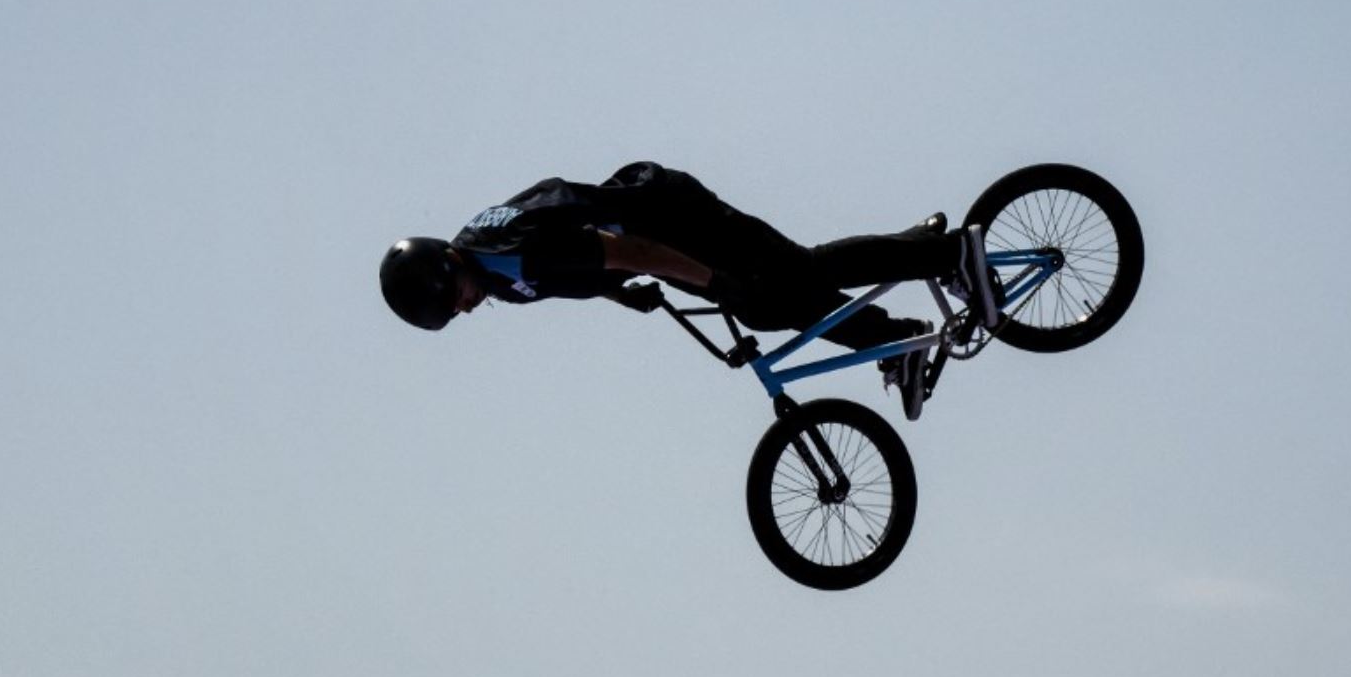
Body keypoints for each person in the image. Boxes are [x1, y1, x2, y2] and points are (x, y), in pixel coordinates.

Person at [379, 161, 998, 420]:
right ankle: (897, 334)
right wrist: (622, 295)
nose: (465, 308)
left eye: (454, 298)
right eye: (455, 313)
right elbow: (580, 272)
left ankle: (946, 255)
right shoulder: (491, 270)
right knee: (776, 298)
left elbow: (630, 250)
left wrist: (711, 279)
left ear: (446, 267)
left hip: (671, 214)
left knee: (793, 276)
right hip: (651, 230)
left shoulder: (512, 251)